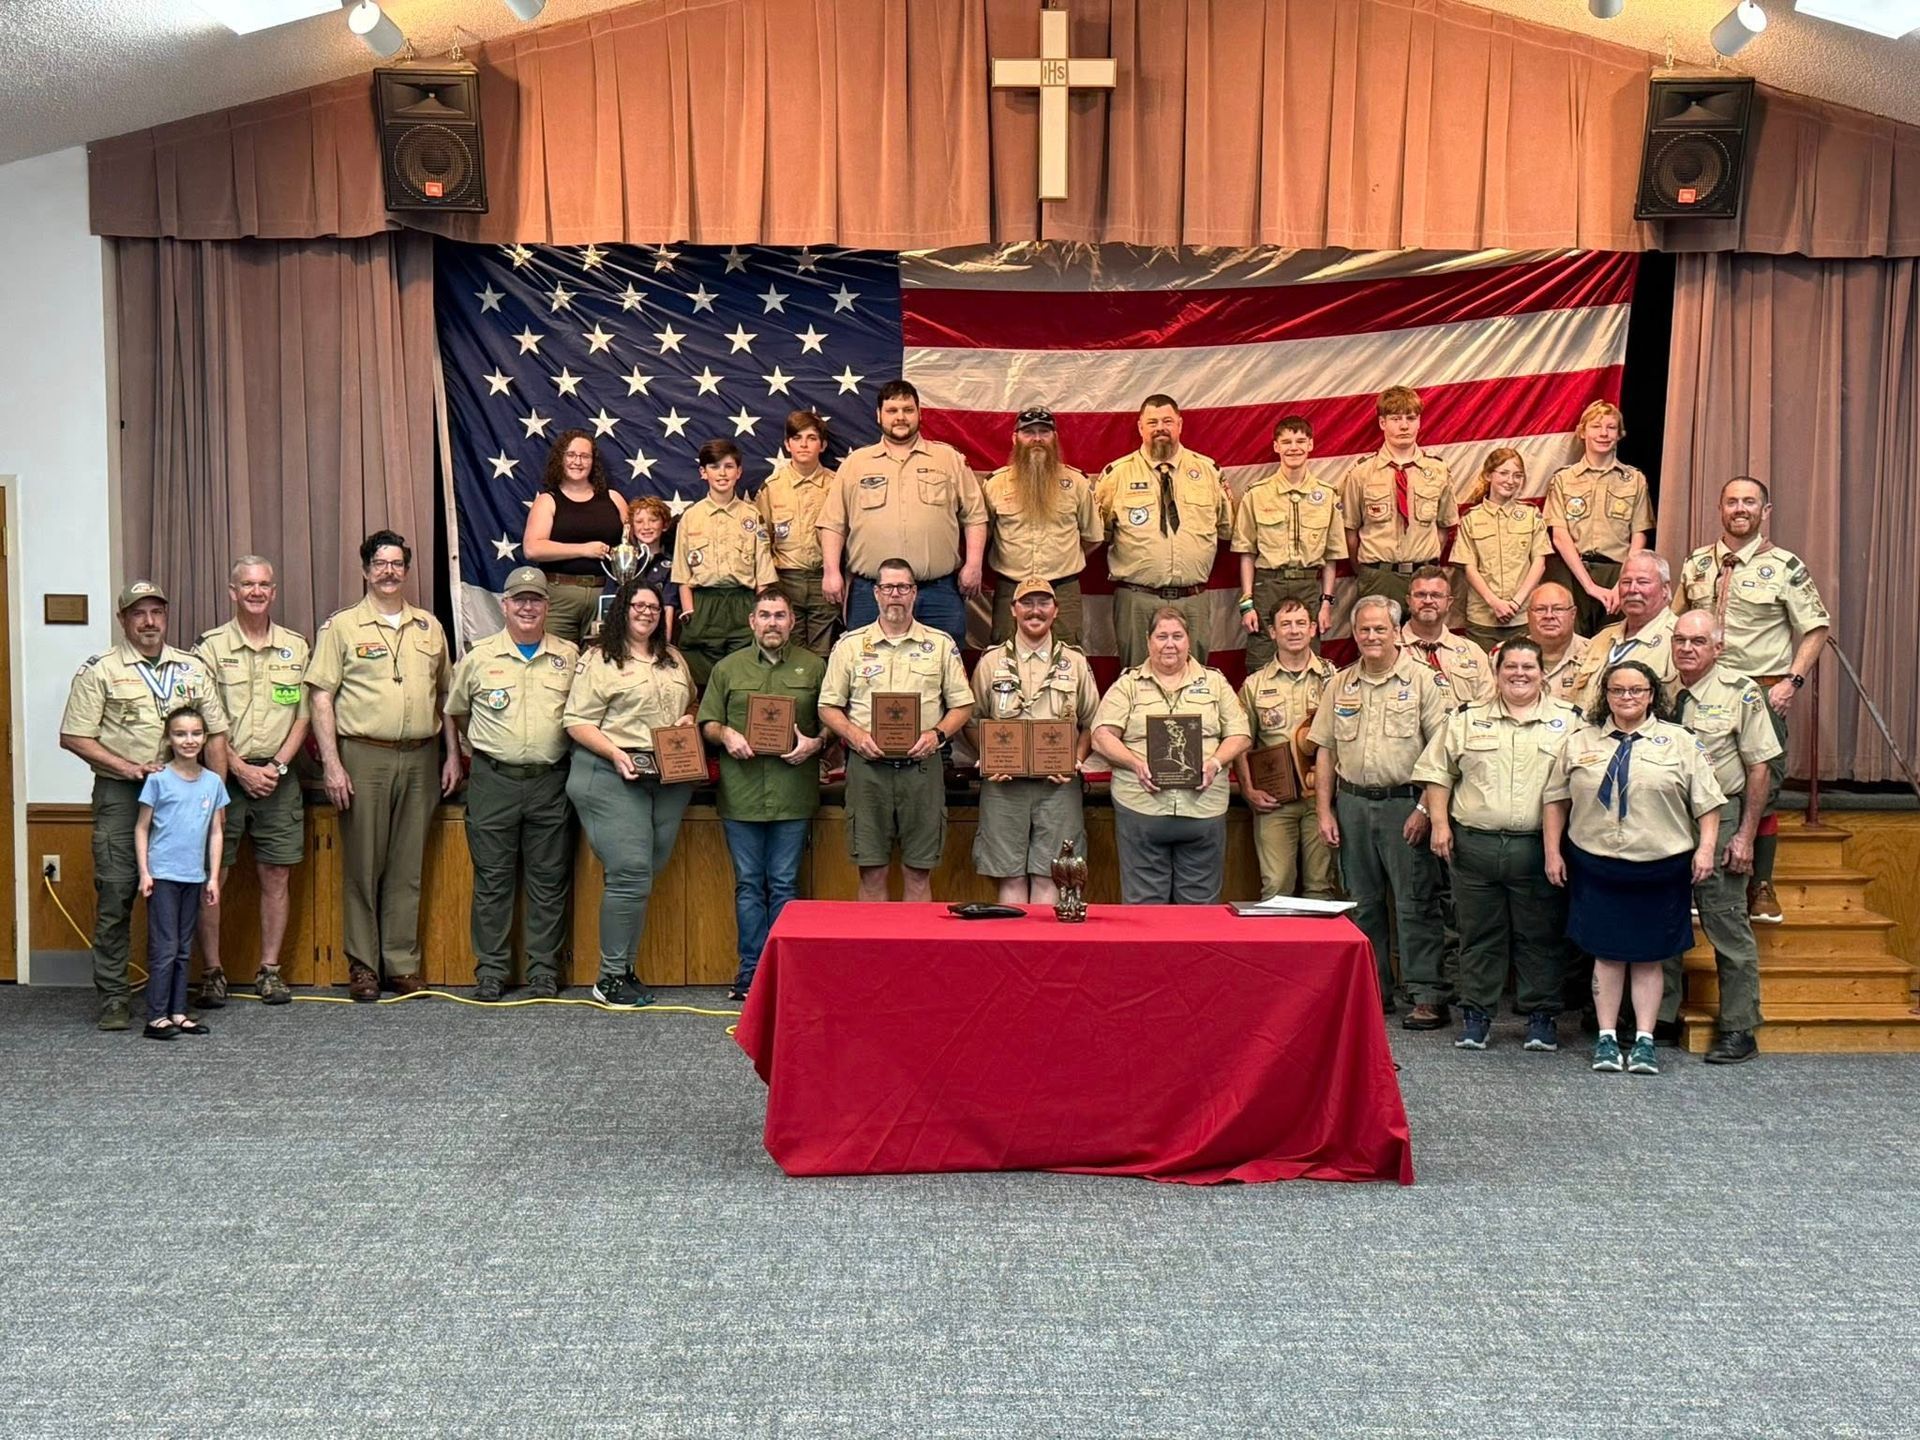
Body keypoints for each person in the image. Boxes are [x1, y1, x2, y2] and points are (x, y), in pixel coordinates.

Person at [59, 580, 230, 1032]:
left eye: (156, 612)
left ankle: (174, 996)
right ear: (123, 620)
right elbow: (73, 735)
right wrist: (128, 766)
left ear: (166, 616)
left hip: (185, 797)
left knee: (181, 894)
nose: (149, 621)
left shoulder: (192, 669)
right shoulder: (100, 670)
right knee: (117, 892)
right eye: (139, 613)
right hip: (123, 794)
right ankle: (114, 996)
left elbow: (215, 734)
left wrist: (216, 798)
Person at [1544, 660, 1724, 1076]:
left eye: (1637, 691)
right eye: (1618, 690)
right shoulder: (1578, 741)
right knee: (1606, 956)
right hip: (1597, 865)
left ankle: (1644, 1041)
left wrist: (1706, 849)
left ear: (1651, 695)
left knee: (1649, 957)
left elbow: (1709, 804)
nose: (1627, 698)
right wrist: (1553, 852)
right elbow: (1555, 801)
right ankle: (1606, 1038)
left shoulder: (1679, 742)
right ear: (1604, 695)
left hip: (1660, 867)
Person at [307, 531, 461, 1002]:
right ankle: (363, 966)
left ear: (406, 570)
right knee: (363, 864)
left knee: (407, 867)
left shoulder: (429, 628)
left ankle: (401, 964)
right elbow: (320, 696)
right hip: (363, 755)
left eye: (397, 563)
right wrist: (332, 765)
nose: (389, 571)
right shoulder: (343, 627)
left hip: (419, 757)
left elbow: (445, 697)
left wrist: (452, 753)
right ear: (365, 570)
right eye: (380, 563)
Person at [1672, 476, 1831, 924]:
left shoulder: (1784, 566)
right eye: (1731, 502)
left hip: (1761, 690)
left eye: (1749, 502)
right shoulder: (1697, 564)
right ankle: (1695, 878)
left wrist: (1791, 682)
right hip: (1703, 689)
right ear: (1720, 509)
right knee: (1698, 781)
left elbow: (1816, 626)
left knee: (1765, 785)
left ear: (1765, 510)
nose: (1739, 509)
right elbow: (1678, 620)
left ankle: (1760, 883)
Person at [1415, 638, 1582, 1052]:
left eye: (1529, 667)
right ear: (1497, 671)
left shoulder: (1569, 721)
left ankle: (1541, 1018)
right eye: (1511, 667)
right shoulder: (1467, 719)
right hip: (1475, 847)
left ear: (1543, 673)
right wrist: (1438, 824)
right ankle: (1477, 1016)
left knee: (1541, 935)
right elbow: (1438, 773)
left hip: (1539, 849)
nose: (1520, 674)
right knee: (1476, 935)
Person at [1310, 595, 1453, 1025]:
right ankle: (1374, 989)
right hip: (1352, 804)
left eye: (1380, 629)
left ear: (1396, 632)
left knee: (1416, 902)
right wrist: (1324, 811)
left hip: (1404, 804)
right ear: (1354, 635)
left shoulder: (1424, 681)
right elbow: (1325, 752)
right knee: (1362, 903)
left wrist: (1426, 810)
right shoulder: (1340, 684)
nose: (1371, 637)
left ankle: (1426, 993)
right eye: (1363, 630)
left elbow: (1441, 751)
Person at [563, 574, 700, 1008]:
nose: (646, 613)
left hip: (668, 775)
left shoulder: (673, 658)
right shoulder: (599, 658)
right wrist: (616, 753)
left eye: (653, 607)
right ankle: (609, 978)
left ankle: (625, 967)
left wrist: (689, 719)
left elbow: (691, 702)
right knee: (630, 873)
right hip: (611, 771)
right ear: (622, 609)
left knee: (645, 872)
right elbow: (576, 720)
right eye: (637, 605)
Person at [445, 567, 580, 1003]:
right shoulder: (479, 657)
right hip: (494, 780)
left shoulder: (570, 657)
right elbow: (457, 712)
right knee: (493, 881)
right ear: (504, 605)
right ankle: (491, 970)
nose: (527, 607)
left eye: (536, 599)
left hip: (550, 781)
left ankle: (543, 970)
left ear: (547, 605)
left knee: (548, 880)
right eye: (519, 599)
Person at [191, 556, 309, 1008]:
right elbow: (200, 720)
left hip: (278, 777)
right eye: (247, 585)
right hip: (222, 777)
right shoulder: (210, 649)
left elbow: (303, 715)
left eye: (264, 585)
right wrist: (238, 768)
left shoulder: (296, 647)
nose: (256, 592)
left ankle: (270, 970)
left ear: (274, 592)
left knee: (276, 874)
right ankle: (214, 972)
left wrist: (276, 767)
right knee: (212, 876)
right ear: (232, 592)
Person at [1664, 609, 1782, 1063]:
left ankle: (1739, 1027)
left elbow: (1759, 768)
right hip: (1668, 818)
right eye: (1680, 640)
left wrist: (1746, 836)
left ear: (1718, 647)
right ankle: (1662, 1016)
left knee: (1726, 923)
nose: (1687, 648)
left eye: (1697, 641)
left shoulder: (1741, 692)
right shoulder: (1662, 689)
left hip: (1723, 814)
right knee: (1666, 919)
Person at [818, 560, 974, 903]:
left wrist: (937, 735)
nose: (895, 595)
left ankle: (915, 955)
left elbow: (963, 705)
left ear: (914, 593)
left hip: (922, 769)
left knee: (918, 873)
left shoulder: (940, 645)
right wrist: (855, 736)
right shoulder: (850, 645)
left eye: (903, 587)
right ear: (875, 594)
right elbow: (827, 706)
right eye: (887, 587)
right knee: (871, 872)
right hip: (868, 769)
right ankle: (876, 956)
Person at [699, 586, 827, 1000]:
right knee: (750, 884)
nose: (772, 623)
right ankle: (751, 972)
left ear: (792, 622)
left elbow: (833, 719)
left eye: (780, 615)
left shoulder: (815, 667)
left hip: (793, 792)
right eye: (765, 615)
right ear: (752, 622)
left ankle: (785, 972)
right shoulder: (728, 669)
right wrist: (727, 734)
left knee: (786, 883)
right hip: (743, 794)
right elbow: (708, 722)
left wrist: (817, 742)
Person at [1091, 606, 1251, 904]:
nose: (1170, 644)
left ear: (1189, 640)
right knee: (1144, 914)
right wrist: (1134, 763)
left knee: (1199, 914)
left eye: (1177, 636)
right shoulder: (1128, 684)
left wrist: (1216, 762)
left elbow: (1240, 734)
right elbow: (1101, 737)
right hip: (1141, 809)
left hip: (1203, 810)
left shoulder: (1215, 682)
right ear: (1148, 640)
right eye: (1162, 636)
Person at [818, 379, 986, 650]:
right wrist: (831, 572)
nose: (900, 417)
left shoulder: (948, 459)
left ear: (920, 413)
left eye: (908, 410)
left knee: (942, 675)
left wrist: (974, 564)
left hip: (937, 592)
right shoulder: (856, 464)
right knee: (866, 673)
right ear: (878, 415)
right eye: (892, 410)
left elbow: (975, 516)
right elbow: (834, 524)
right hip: (871, 592)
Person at [968, 578, 1100, 905]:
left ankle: (1043, 952)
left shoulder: (1076, 663)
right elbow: (971, 719)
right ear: (1013, 611)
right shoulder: (991, 662)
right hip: (1003, 785)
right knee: (1009, 876)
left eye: (1043, 603)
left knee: (1050, 875)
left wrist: (1076, 760)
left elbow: (1092, 722)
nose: (1035, 611)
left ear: (1055, 611)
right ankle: (1013, 953)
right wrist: (988, 756)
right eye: (1027, 603)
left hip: (1058, 785)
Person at [1095, 395, 1232, 668]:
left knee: (1196, 685)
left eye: (1168, 421)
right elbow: (1100, 534)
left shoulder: (1207, 472)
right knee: (1136, 683)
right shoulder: (1116, 475)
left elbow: (1226, 529)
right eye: (1152, 422)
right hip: (1137, 599)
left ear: (1180, 425)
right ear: (1140, 427)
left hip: (1192, 600)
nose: (1160, 428)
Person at [134, 706, 227, 1041]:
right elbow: (142, 828)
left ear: (204, 738)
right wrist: (145, 872)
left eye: (196, 734)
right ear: (168, 738)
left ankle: (177, 1011)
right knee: (165, 945)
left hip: (194, 876)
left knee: (185, 946)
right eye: (180, 734)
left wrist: (212, 876)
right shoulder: (159, 779)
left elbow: (216, 831)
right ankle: (156, 1015)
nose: (189, 740)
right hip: (163, 876)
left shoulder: (213, 782)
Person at [1235, 597, 1336, 901]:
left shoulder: (1335, 679)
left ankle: (1320, 949)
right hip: (1275, 802)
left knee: (1321, 887)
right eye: (1286, 624)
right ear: (1272, 632)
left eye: (1301, 623)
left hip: (1323, 798)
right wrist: (1248, 790)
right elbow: (1241, 742)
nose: (1294, 631)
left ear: (1314, 628)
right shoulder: (1254, 685)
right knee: (1276, 887)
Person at [1232, 415, 1345, 671]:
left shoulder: (1327, 495)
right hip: (1267, 584)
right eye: (1287, 441)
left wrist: (1326, 603)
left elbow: (1331, 557)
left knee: (1308, 659)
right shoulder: (1257, 494)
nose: (1293, 447)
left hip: (1308, 585)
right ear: (1276, 446)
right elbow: (1246, 553)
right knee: (1261, 658)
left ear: (1311, 445)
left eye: (1300, 441)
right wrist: (1247, 602)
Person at [981, 408, 1102, 647]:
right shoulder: (994, 485)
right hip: (1011, 588)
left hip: (1062, 591)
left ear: (1054, 438)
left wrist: (1064, 559)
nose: (1037, 438)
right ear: (1015, 438)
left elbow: (1093, 537)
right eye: (1029, 432)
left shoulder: (1076, 483)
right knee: (1006, 662)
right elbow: (985, 537)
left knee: (1067, 661)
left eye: (1044, 432)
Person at [1341, 386, 1459, 615]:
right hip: (1379, 577)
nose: (1404, 425)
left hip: (1425, 576)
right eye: (1395, 419)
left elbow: (1444, 527)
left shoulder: (1438, 470)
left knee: (1425, 644)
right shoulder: (1362, 473)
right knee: (1379, 644)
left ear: (1419, 421)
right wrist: (1368, 571)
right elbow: (1350, 531)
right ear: (1382, 423)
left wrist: (1426, 560)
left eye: (1411, 418)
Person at [673, 438, 778, 685]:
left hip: (742, 602)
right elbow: (682, 574)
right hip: (704, 604)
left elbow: (763, 574)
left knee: (746, 674)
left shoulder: (752, 516)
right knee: (700, 677)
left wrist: (759, 611)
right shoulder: (691, 517)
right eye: (714, 466)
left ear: (739, 472)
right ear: (703, 472)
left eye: (729, 466)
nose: (722, 473)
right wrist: (689, 611)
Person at [1544, 401, 1651, 637]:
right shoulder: (1563, 479)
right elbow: (1560, 537)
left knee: (1613, 643)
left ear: (1620, 434)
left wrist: (1622, 583)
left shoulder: (1634, 480)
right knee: (1570, 644)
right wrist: (1589, 586)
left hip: (1617, 573)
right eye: (1596, 426)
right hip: (1573, 572)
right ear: (1582, 432)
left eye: (1611, 427)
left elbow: (1639, 538)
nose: (1603, 433)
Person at [522, 429, 631, 645]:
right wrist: (584, 549)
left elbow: (633, 546)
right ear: (560, 459)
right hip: (559, 597)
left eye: (584, 456)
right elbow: (533, 549)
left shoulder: (614, 498)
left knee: (603, 666)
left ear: (593, 462)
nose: (577, 462)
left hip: (606, 595)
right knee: (555, 665)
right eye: (571, 455)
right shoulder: (548, 500)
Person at [757, 409, 839, 657]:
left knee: (822, 654)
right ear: (787, 444)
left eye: (811, 438)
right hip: (786, 579)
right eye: (797, 438)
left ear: (822, 445)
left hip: (824, 580)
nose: (804, 444)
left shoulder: (836, 486)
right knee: (789, 651)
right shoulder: (772, 488)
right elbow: (762, 542)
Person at [1455, 448, 1549, 652]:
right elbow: (1469, 568)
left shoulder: (1531, 515)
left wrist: (1515, 603)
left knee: (1522, 676)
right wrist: (1494, 602)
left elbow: (1539, 563)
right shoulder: (1471, 519)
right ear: (1488, 475)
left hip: (1522, 616)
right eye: (1503, 473)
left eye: (1517, 475)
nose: (1511, 480)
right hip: (1483, 619)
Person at [1568, 551, 1679, 707]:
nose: (1632, 589)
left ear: (1665, 589)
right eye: (1626, 582)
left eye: (1643, 582)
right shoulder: (1602, 639)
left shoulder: (1678, 640)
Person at [1400, 565, 1492, 704]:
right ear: (1408, 601)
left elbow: (1487, 705)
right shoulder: (1390, 650)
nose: (1428, 601)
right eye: (1420, 595)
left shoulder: (1473, 652)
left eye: (1436, 595)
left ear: (1449, 602)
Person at [597, 495, 676, 640]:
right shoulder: (621, 560)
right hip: (621, 636)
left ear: (664, 525)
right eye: (639, 522)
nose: (646, 527)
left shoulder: (671, 565)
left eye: (653, 520)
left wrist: (665, 646)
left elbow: (667, 608)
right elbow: (609, 601)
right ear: (632, 528)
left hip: (653, 635)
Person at [1520, 583, 1590, 705]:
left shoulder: (1594, 654)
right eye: (1540, 609)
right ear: (1528, 614)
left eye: (1558, 609)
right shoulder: (1504, 655)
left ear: (1573, 614)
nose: (1549, 616)